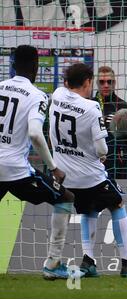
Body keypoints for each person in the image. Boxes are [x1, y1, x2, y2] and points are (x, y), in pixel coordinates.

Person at [49, 63, 127, 278]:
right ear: (87, 82)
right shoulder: (91, 108)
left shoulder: (56, 96)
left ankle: (88, 260)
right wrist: (100, 153)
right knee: (117, 203)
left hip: (65, 177)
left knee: (88, 210)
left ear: (67, 82)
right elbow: (102, 149)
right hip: (90, 176)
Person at [0, 45, 74, 280]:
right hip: (16, 170)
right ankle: (52, 264)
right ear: (36, 66)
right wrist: (53, 167)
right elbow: (34, 133)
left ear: (12, 64)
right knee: (65, 197)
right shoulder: (37, 95)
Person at [92, 66, 127, 179]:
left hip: (115, 163)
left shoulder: (123, 106)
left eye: (109, 82)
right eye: (102, 82)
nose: (106, 85)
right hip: (92, 161)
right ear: (97, 84)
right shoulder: (89, 104)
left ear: (114, 83)